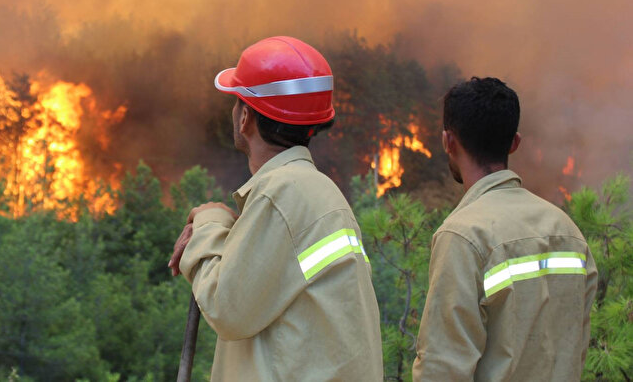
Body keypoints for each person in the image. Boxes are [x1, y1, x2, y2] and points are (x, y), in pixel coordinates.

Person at [168, 36, 383, 381]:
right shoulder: (318, 193)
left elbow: (227, 307)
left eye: (237, 102)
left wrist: (207, 222)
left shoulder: (281, 195)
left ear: (245, 119)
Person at [413, 77, 598, 381]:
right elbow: (575, 350)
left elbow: (441, 367)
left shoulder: (463, 236)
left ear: (449, 141)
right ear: (514, 142)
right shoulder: (567, 232)